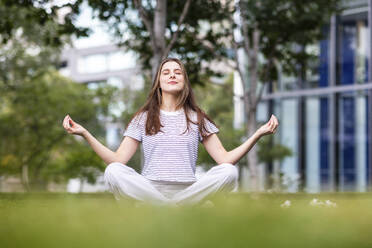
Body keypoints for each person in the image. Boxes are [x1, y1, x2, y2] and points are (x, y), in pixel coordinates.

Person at [62, 57, 279, 206]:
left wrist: (257, 134)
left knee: (230, 172)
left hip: (188, 190)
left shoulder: (197, 117)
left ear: (184, 82)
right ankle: (172, 207)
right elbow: (118, 159)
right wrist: (85, 134)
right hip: (150, 188)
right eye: (166, 72)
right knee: (113, 172)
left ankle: (167, 206)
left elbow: (225, 159)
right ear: (159, 82)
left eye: (178, 73)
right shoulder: (143, 117)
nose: (172, 75)